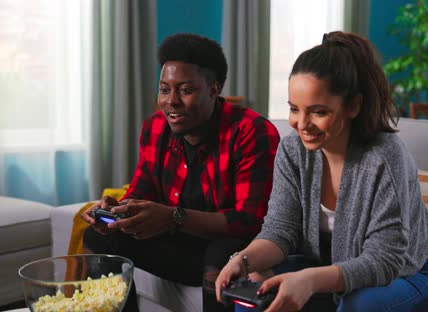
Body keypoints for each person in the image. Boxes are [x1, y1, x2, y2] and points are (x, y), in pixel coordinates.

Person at [215, 31, 428, 312]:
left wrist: (309, 281)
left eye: (318, 112)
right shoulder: (292, 150)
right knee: (253, 297)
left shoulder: (385, 156)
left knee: (358, 305)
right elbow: (280, 230)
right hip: (324, 266)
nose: (301, 124)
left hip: (406, 275)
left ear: (353, 106)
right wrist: (243, 260)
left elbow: (385, 260)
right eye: (294, 109)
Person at [81, 33, 280, 312]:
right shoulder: (155, 127)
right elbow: (141, 189)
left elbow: (250, 221)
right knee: (97, 238)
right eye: (164, 89)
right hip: (180, 247)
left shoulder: (251, 131)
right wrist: (116, 212)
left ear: (214, 89)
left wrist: (172, 217)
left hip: (232, 250)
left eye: (185, 90)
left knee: (221, 253)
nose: (171, 101)